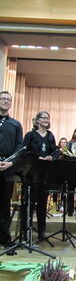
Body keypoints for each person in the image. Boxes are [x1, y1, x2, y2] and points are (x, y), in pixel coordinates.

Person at [22, 110, 58, 241]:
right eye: (43, 118)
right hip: (31, 175)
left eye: (47, 118)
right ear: (37, 120)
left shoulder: (50, 135)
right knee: (29, 204)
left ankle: (41, 231)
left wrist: (50, 157)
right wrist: (36, 158)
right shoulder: (30, 135)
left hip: (45, 174)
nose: (45, 120)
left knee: (42, 204)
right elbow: (24, 151)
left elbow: (55, 151)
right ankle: (26, 231)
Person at [0, 91, 23, 248]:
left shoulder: (15, 124)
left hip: (6, 168)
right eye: (3, 99)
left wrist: (11, 163)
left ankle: (4, 239)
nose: (6, 101)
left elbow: (19, 147)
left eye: (8, 99)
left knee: (3, 205)